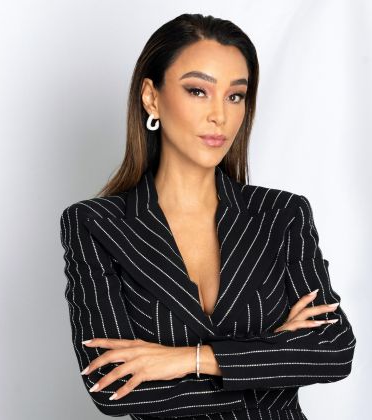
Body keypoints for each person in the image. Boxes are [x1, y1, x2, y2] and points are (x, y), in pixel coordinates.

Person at [59, 13, 356, 420]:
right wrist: (272, 357)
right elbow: (113, 389)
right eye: (198, 91)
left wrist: (191, 359)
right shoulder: (96, 225)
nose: (220, 115)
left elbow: (334, 350)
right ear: (151, 98)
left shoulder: (282, 214)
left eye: (235, 96)